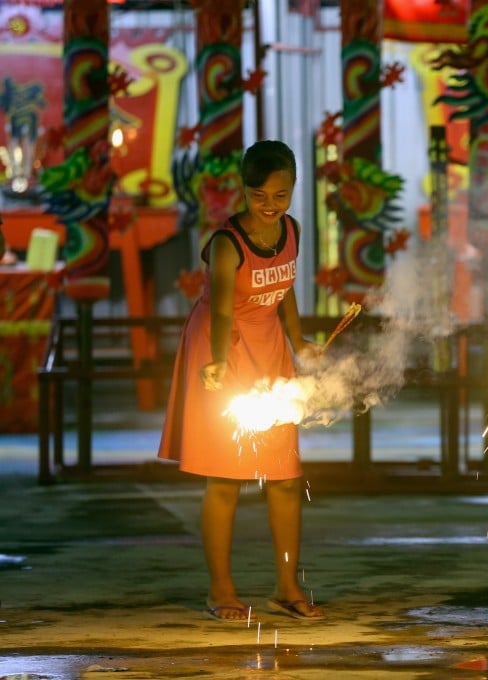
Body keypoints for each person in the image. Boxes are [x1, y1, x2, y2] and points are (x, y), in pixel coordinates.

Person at [158, 140, 325, 622]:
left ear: (293, 189)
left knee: (285, 479)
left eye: (280, 194)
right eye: (259, 196)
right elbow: (223, 309)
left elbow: (285, 287)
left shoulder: (291, 230)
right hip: (221, 352)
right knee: (226, 479)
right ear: (244, 190)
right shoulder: (228, 243)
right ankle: (221, 589)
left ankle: (288, 587)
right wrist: (215, 361)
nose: (270, 206)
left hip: (271, 351)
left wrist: (299, 341)